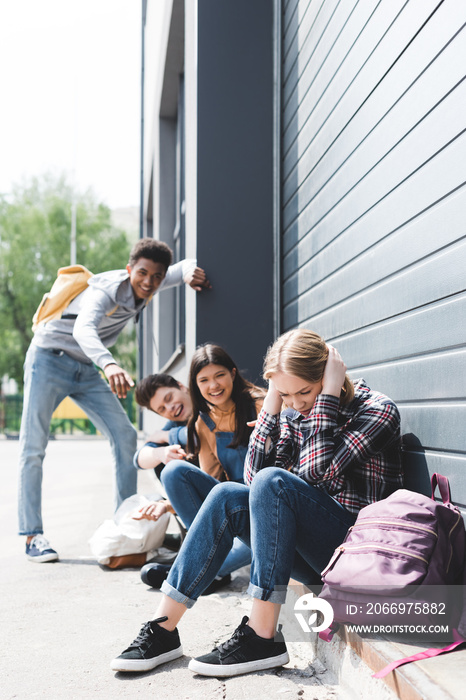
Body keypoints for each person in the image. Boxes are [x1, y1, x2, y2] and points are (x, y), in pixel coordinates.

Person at [111, 329, 403, 675]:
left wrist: (324, 398)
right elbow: (252, 483)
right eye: (285, 394)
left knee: (273, 481)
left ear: (328, 377)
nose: (296, 404)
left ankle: (262, 636)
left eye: (304, 392)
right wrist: (272, 409)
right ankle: (162, 630)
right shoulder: (294, 411)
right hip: (315, 560)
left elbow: (316, 474)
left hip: (353, 554)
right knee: (227, 494)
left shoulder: (377, 411)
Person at [18, 237, 210, 562]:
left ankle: (128, 526)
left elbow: (180, 269)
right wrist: (108, 363)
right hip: (49, 359)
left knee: (124, 435)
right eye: (142, 274)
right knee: (33, 446)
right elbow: (83, 329)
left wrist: (191, 271)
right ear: (129, 270)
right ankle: (32, 536)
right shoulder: (104, 291)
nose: (149, 282)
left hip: (84, 367)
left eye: (156, 277)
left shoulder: (153, 281)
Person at [134, 343, 265, 594]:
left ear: (233, 374)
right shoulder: (203, 423)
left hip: (265, 510)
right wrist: (165, 505)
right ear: (196, 385)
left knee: (259, 543)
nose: (213, 386)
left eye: (219, 376)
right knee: (174, 471)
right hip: (235, 507)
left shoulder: (260, 405)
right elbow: (210, 485)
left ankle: (194, 572)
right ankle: (207, 564)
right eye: (204, 380)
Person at [133, 372, 193, 479]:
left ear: (181, 387)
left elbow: (205, 432)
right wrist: (160, 453)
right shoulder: (175, 424)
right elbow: (138, 459)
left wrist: (167, 435)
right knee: (164, 460)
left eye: (169, 398)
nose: (170, 408)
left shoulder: (211, 399)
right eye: (162, 409)